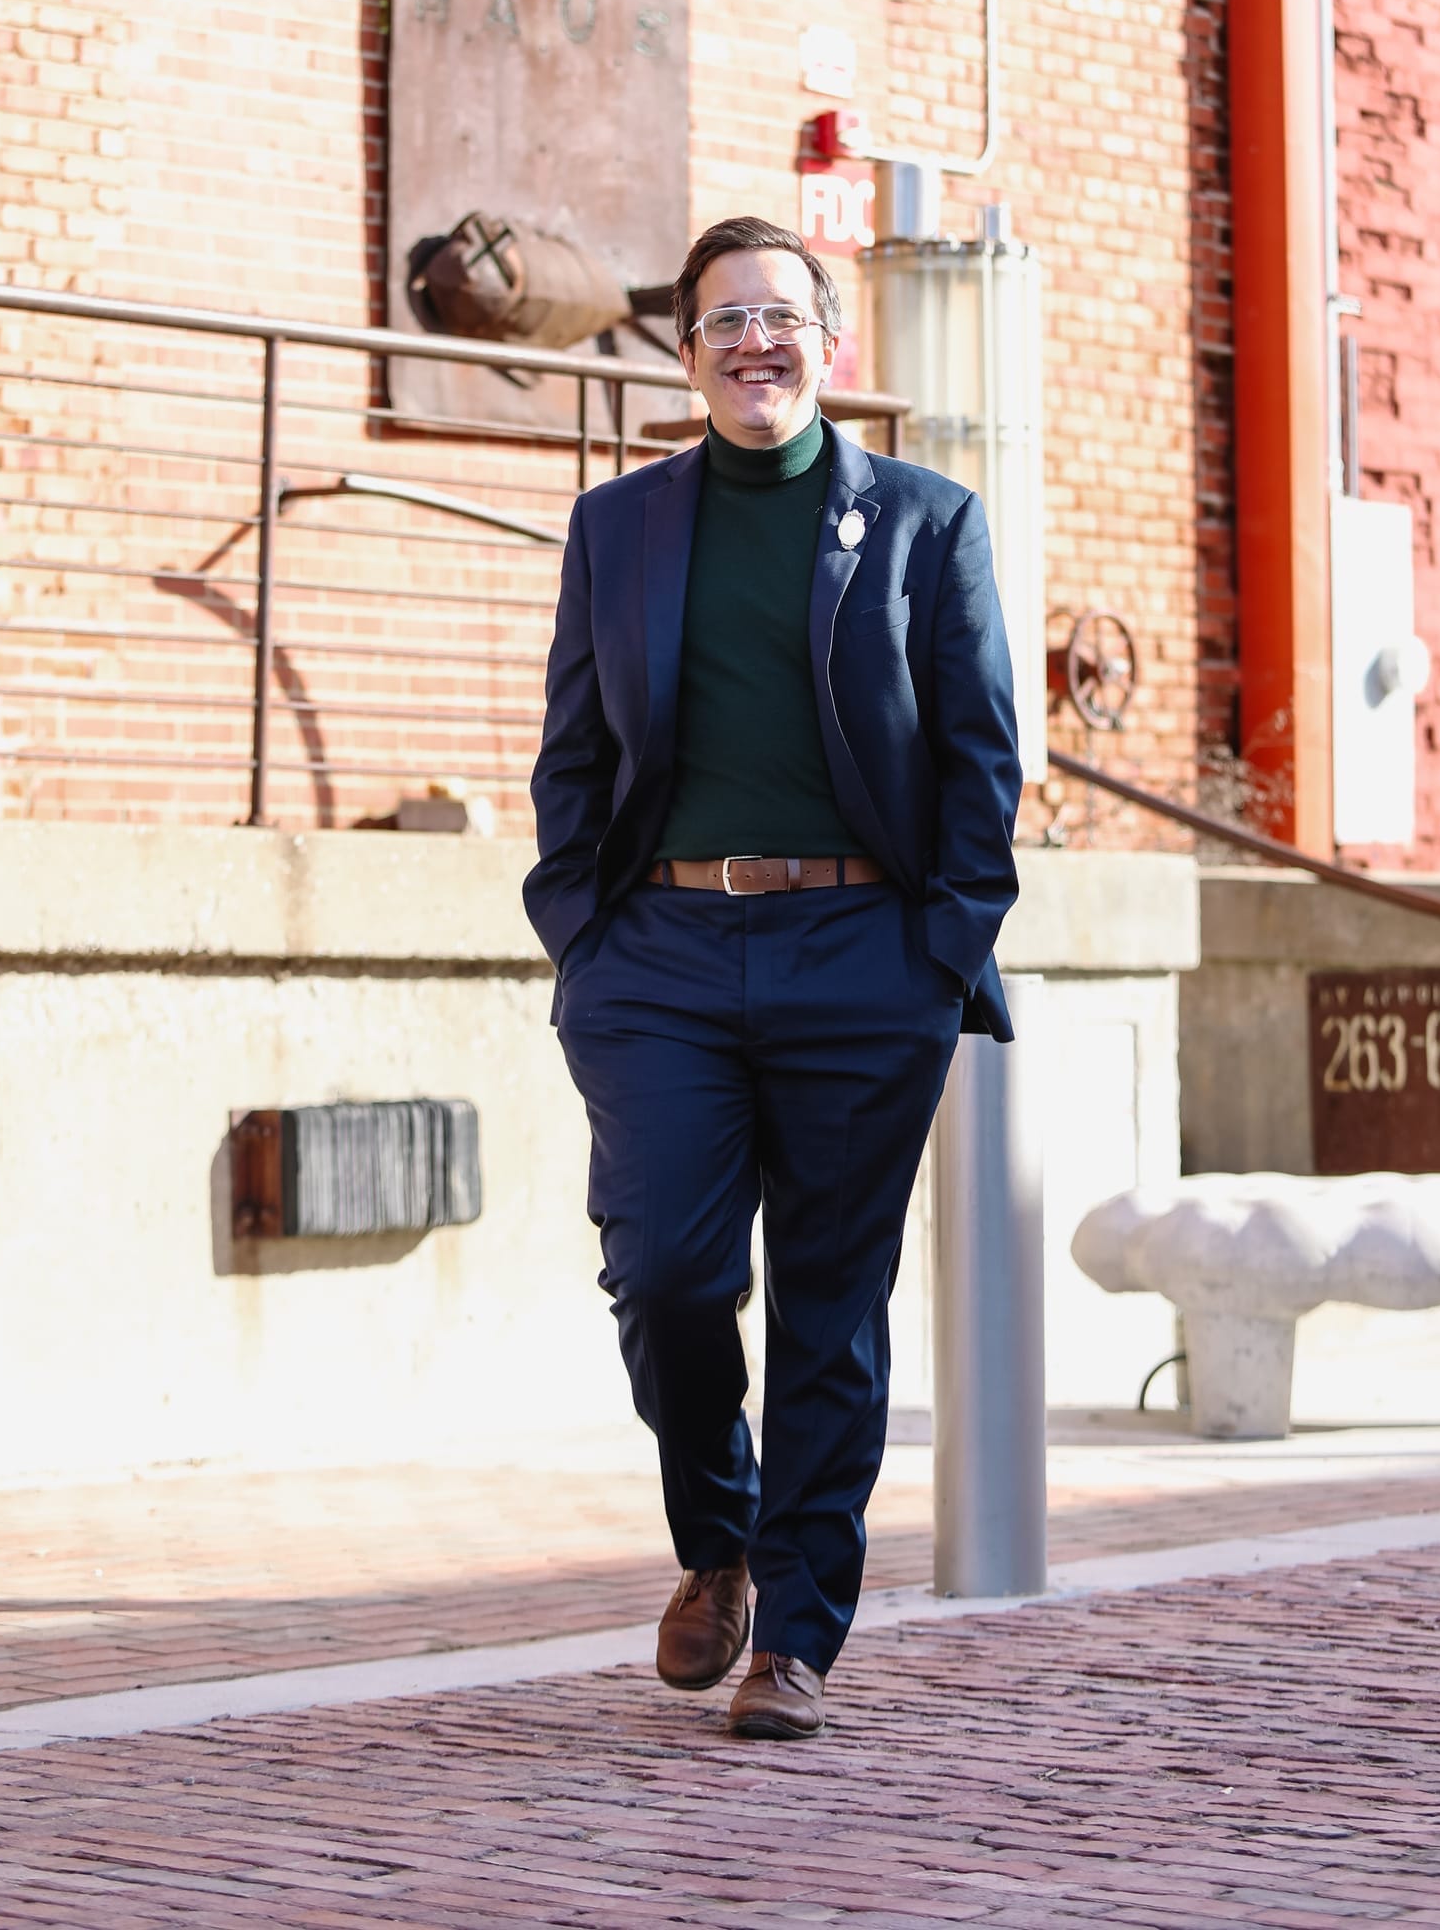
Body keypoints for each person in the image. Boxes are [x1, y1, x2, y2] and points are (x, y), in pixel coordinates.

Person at [524, 215, 1022, 1738]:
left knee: (829, 1303)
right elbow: (573, 753)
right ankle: (718, 1538)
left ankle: (794, 1636)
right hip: (660, 956)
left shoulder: (927, 523)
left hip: (861, 957)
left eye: (782, 316)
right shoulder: (617, 528)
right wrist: (581, 933)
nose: (756, 342)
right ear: (688, 354)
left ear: (828, 341)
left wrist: (938, 953)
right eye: (725, 320)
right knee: (666, 1270)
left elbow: (981, 759)